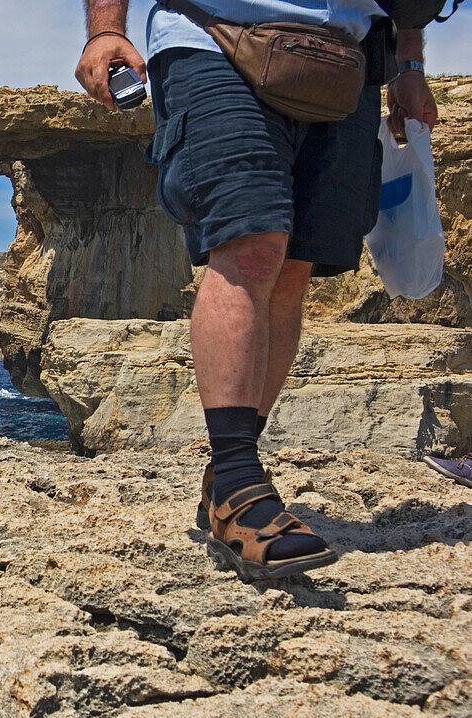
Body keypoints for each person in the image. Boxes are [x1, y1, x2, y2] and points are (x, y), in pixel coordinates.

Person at [76, 0, 438, 581]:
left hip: (349, 58)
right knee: (254, 243)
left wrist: (408, 64)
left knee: (295, 264)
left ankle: (227, 479)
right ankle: (241, 483)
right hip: (214, 37)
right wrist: (106, 30)